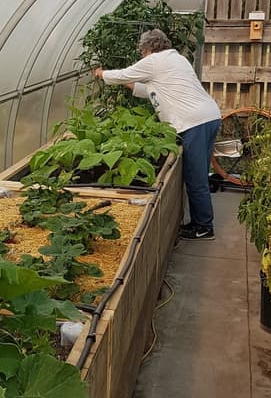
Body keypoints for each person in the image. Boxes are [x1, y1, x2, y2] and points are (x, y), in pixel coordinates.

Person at [93, 28, 221, 239]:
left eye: (142, 51)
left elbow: (123, 74)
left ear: (147, 48)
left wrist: (101, 74)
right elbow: (152, 92)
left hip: (194, 122)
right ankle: (201, 222)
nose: (141, 55)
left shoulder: (154, 61)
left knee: (195, 177)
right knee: (198, 174)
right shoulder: (176, 59)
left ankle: (204, 226)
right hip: (208, 117)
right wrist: (128, 84)